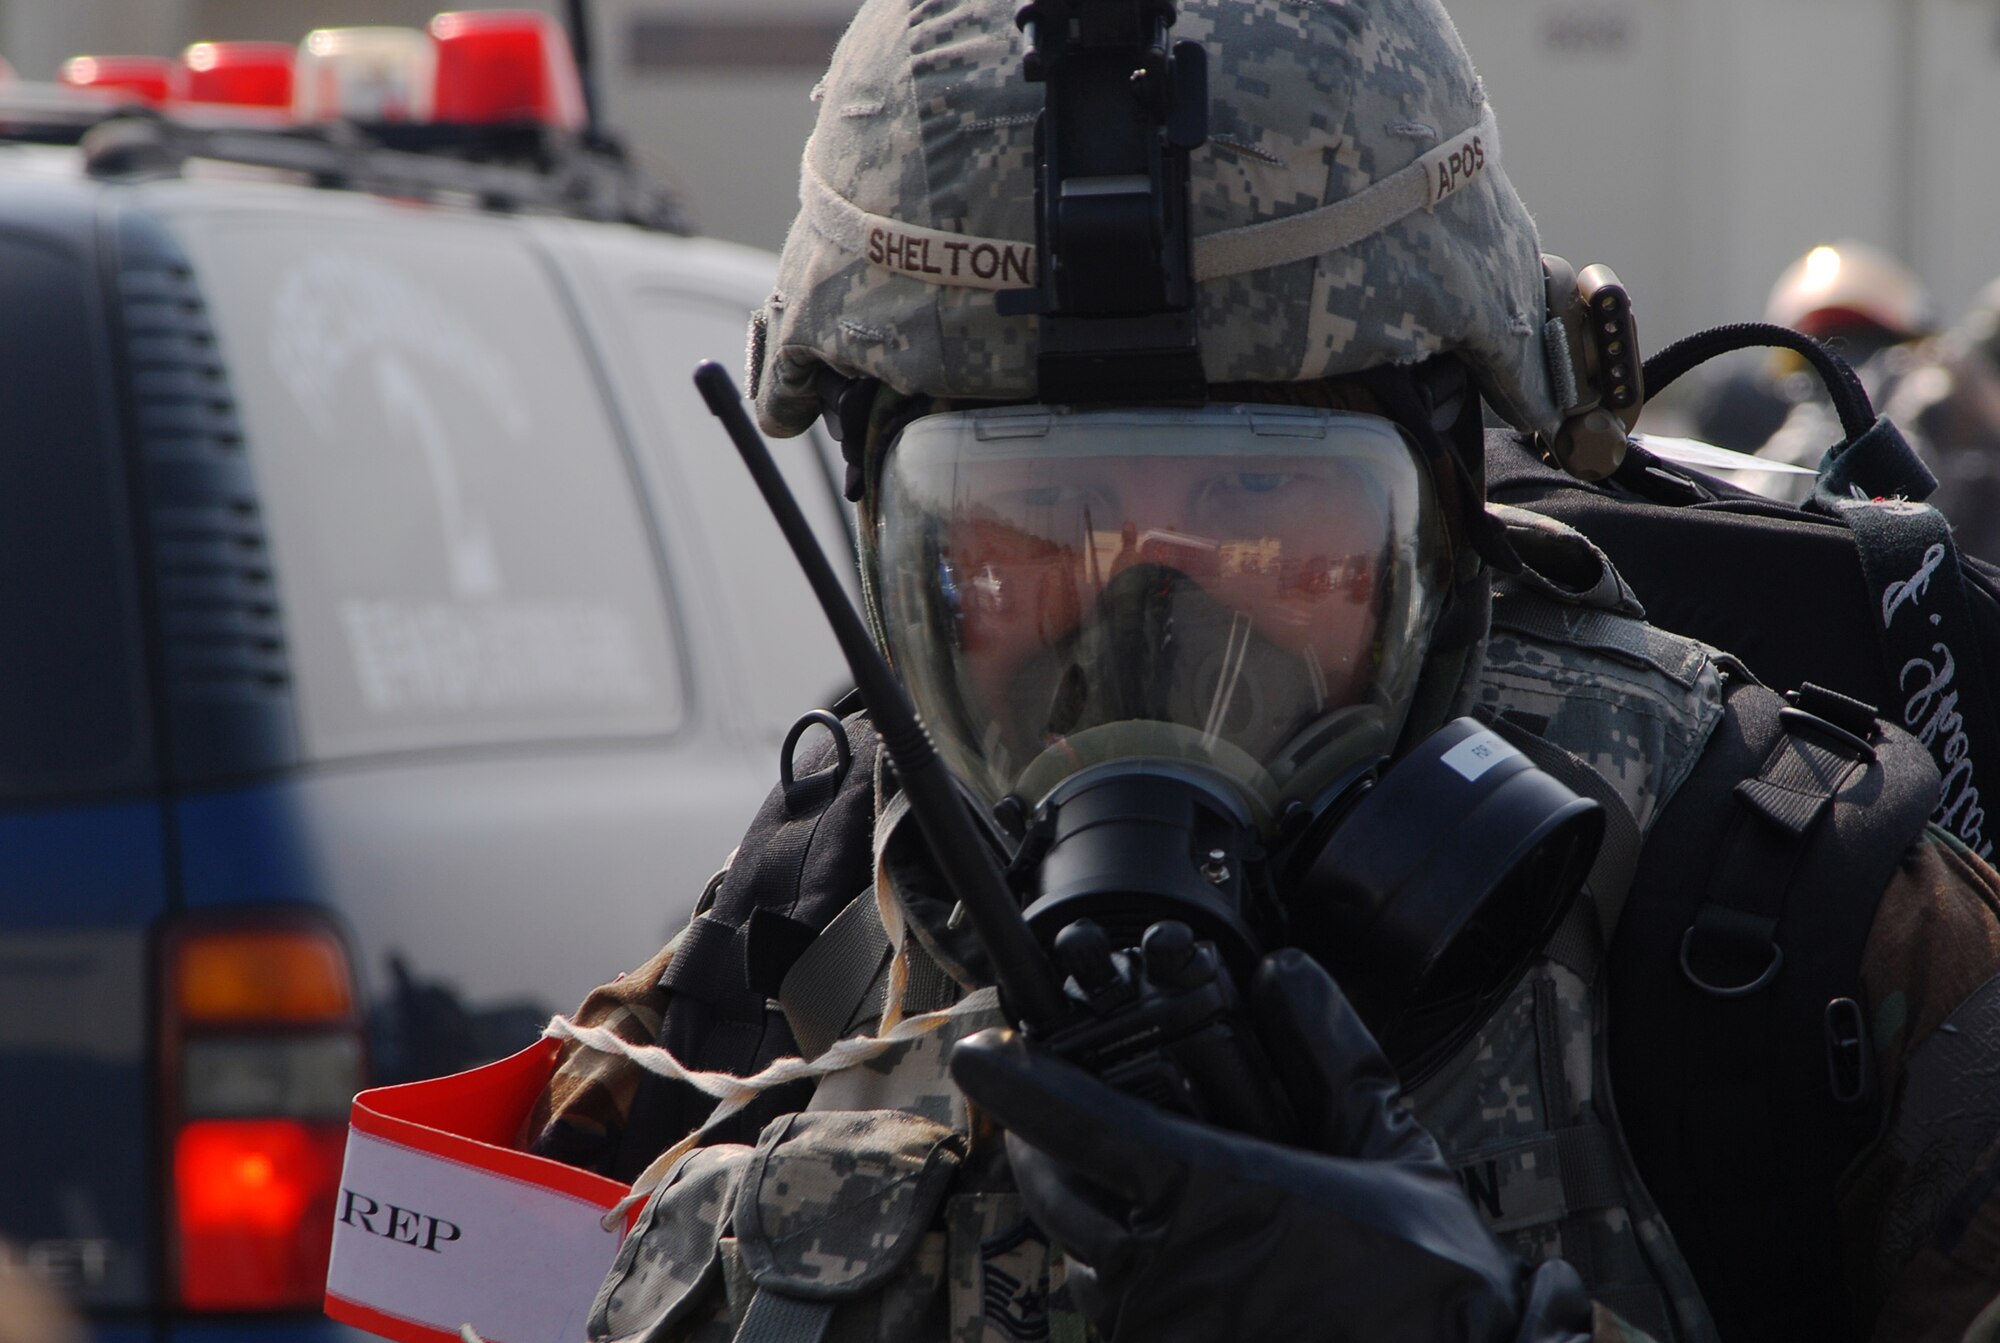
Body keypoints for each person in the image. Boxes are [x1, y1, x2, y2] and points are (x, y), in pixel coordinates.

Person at [526, 0, 2000, 1339]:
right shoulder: (804, 933)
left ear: (1446, 511)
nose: (1147, 635)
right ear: (882, 553)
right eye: (1036, 529)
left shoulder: (1799, 940)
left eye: (1259, 516)